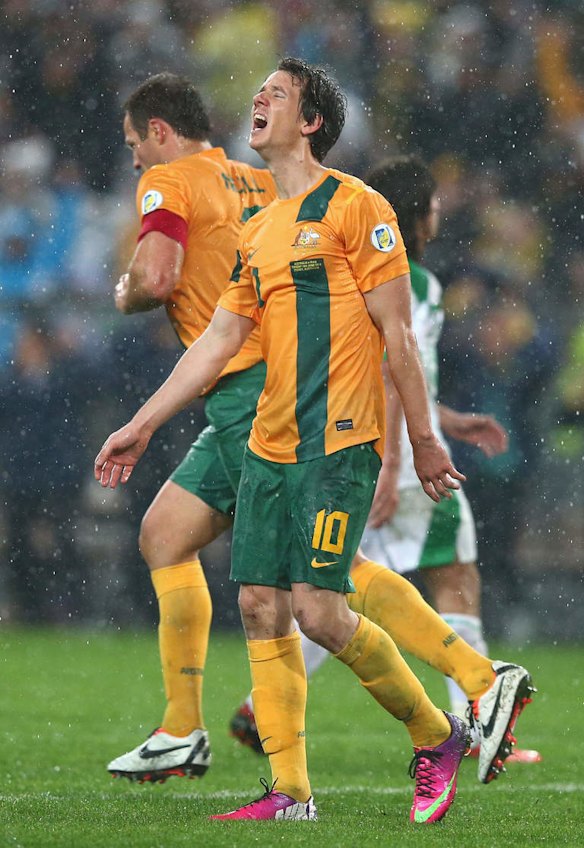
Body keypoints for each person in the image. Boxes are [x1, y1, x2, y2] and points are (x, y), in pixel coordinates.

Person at [106, 71, 534, 799]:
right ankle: (281, 787)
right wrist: (142, 424)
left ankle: (475, 683)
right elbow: (218, 334)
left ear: (311, 122)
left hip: (322, 425)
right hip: (260, 420)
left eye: (277, 93)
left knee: (316, 597)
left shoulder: (353, 203)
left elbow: (394, 330)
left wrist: (424, 438)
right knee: (229, 578)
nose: (259, 101)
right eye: (259, 92)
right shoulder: (260, 217)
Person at [230, 155, 540, 779]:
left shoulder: (342, 266)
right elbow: (392, 367)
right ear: (419, 216)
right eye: (431, 206)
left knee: (328, 587)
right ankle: (481, 717)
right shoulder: (414, 282)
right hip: (386, 451)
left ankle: (255, 711)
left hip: (355, 441)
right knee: (447, 577)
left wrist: (448, 421)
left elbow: (401, 371)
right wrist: (404, 455)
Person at [105, 72, 277, 783]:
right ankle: (182, 729)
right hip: (272, 382)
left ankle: (474, 685)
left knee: (321, 585)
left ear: (161, 132)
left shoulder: (170, 178)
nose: (136, 161)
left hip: (248, 393)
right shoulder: (260, 183)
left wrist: (121, 293)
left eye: (135, 144)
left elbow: (155, 278)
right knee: (165, 534)